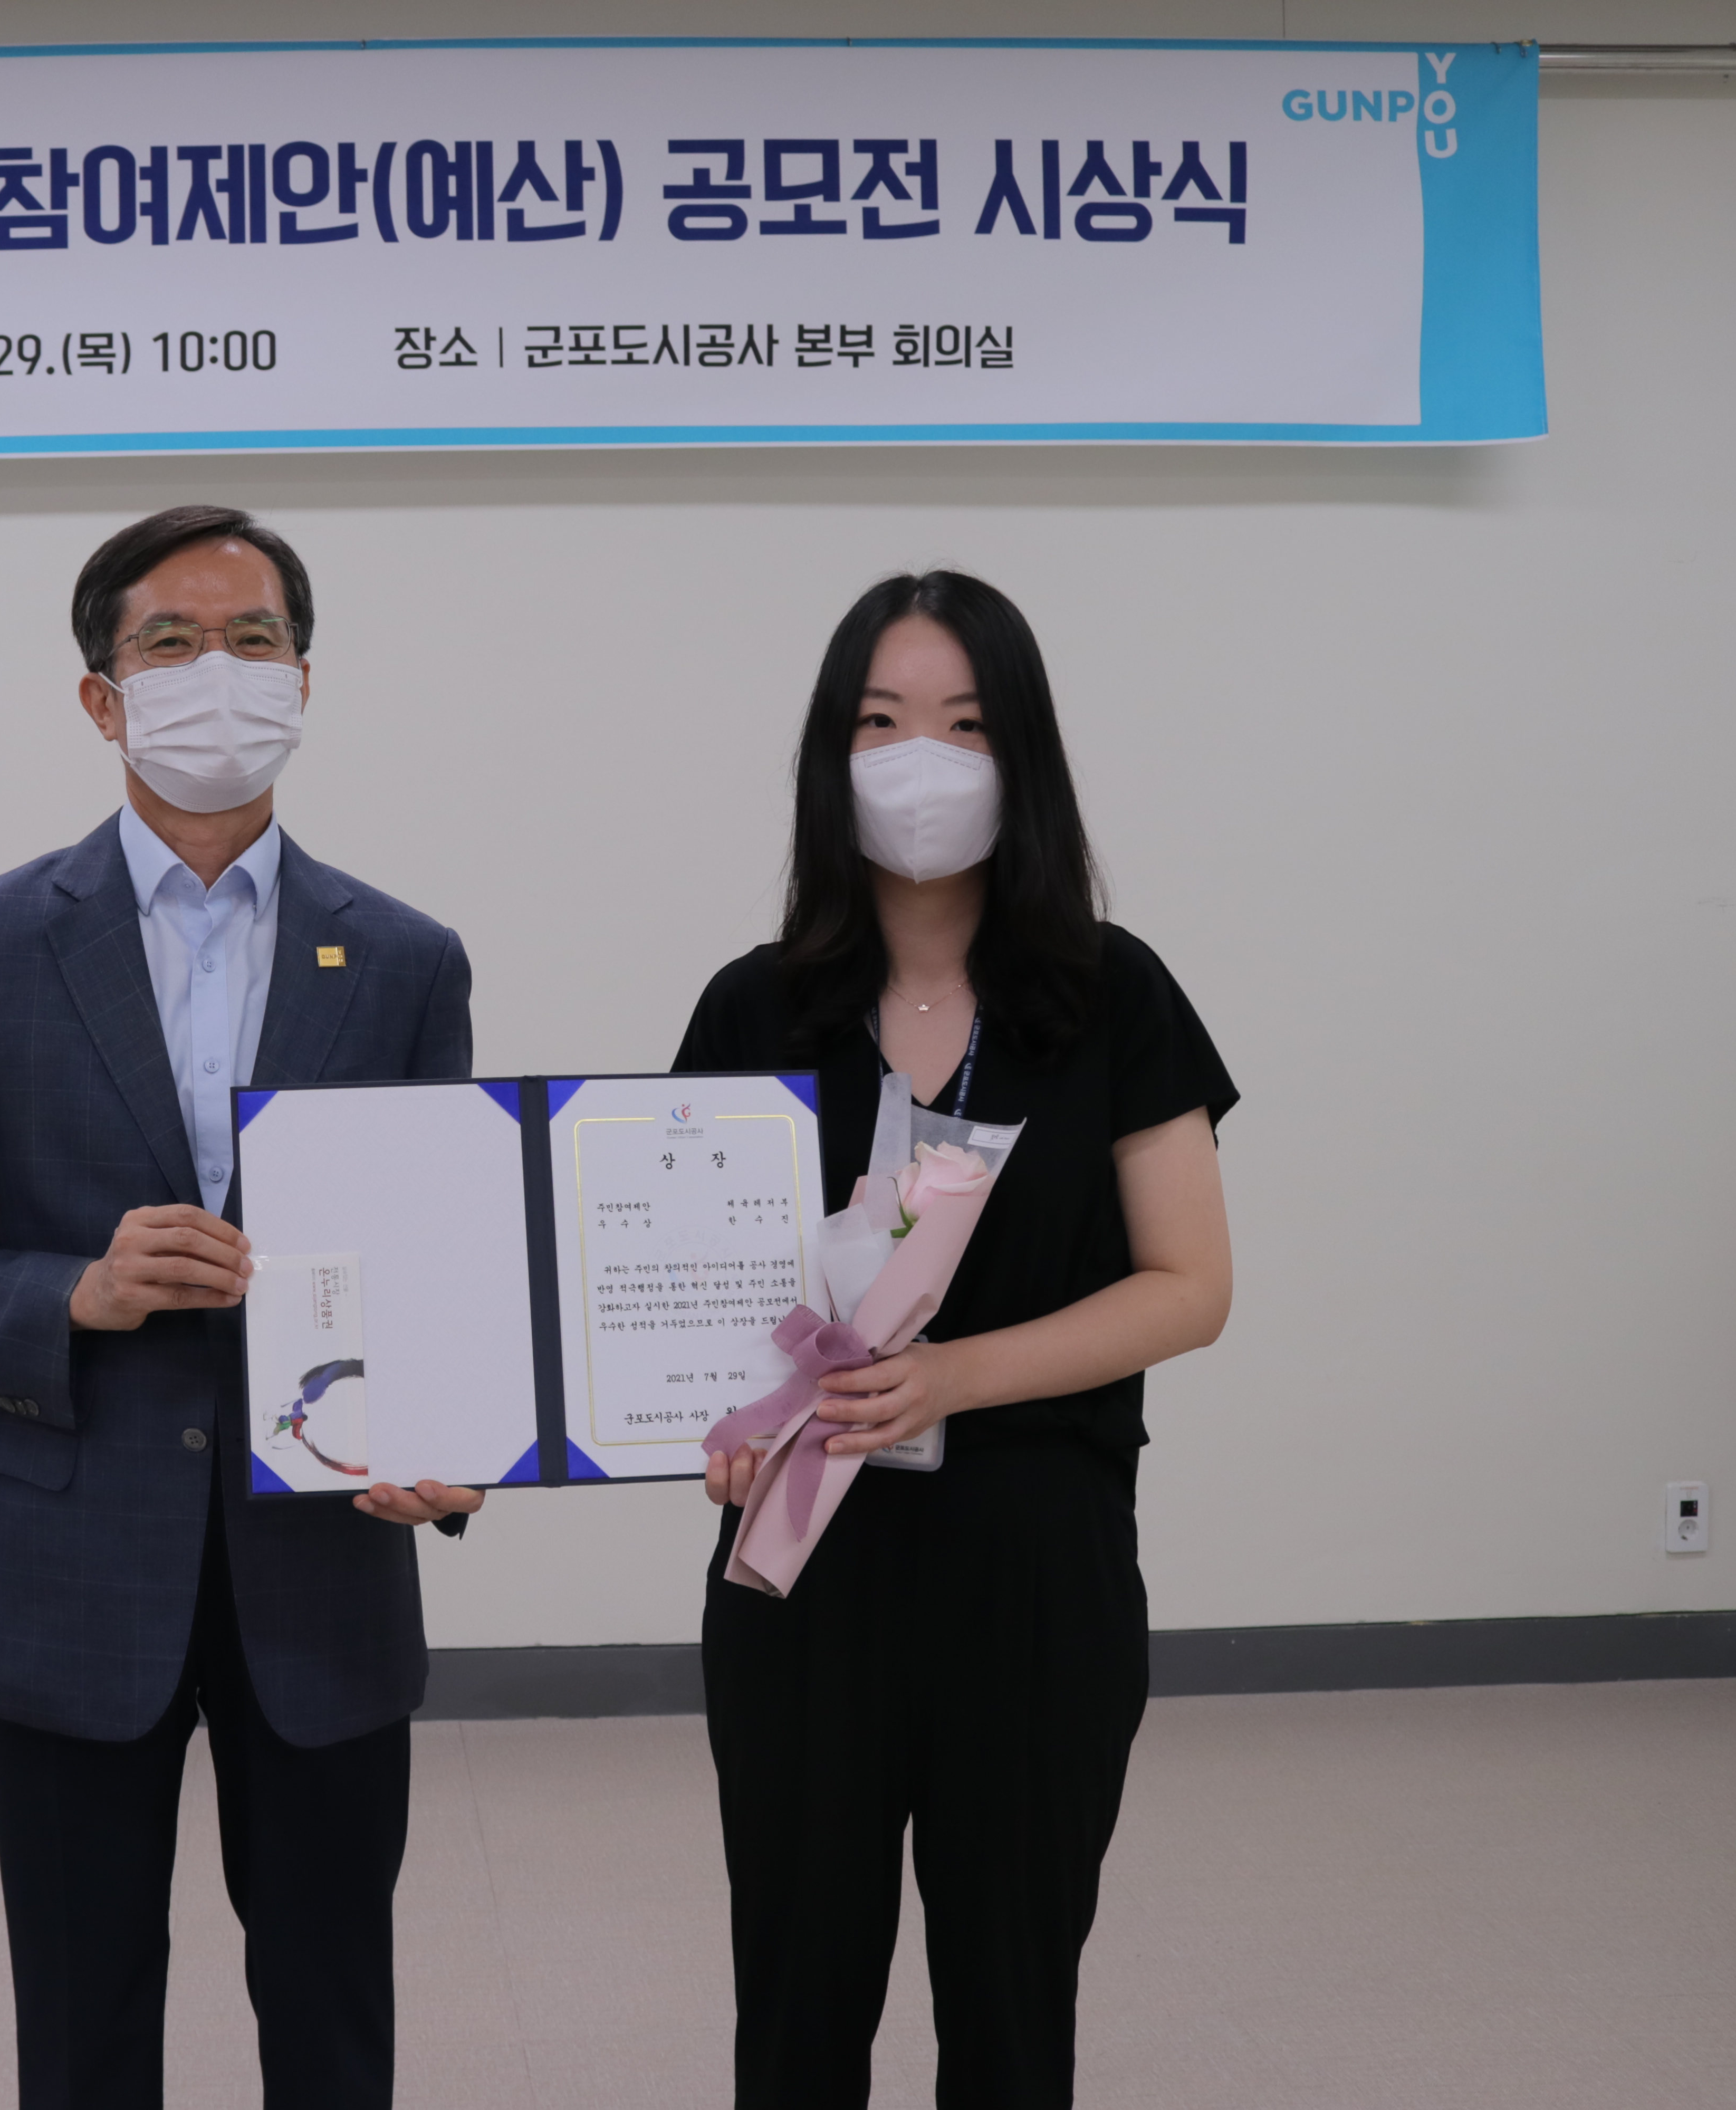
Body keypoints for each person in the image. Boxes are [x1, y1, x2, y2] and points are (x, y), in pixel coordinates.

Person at [0, 504, 485, 2110]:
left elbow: (439, 1262)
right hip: (66, 1567)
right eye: (171, 643)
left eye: (253, 640)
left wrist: (454, 1439)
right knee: (84, 2027)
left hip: (324, 1568)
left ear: (304, 683)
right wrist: (78, 1291)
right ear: (102, 696)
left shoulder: (406, 959)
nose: (218, 672)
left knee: (334, 2024)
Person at [675, 571, 1236, 2110]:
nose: (919, 759)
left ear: (1024, 754)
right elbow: (681, 1288)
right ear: (829, 754)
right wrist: (708, 1421)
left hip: (1034, 1571)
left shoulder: (1112, 996)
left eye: (965, 725)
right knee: (797, 2012)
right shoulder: (754, 1010)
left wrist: (953, 1377)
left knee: (1011, 2012)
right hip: (804, 1572)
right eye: (881, 722)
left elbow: (1190, 1285)